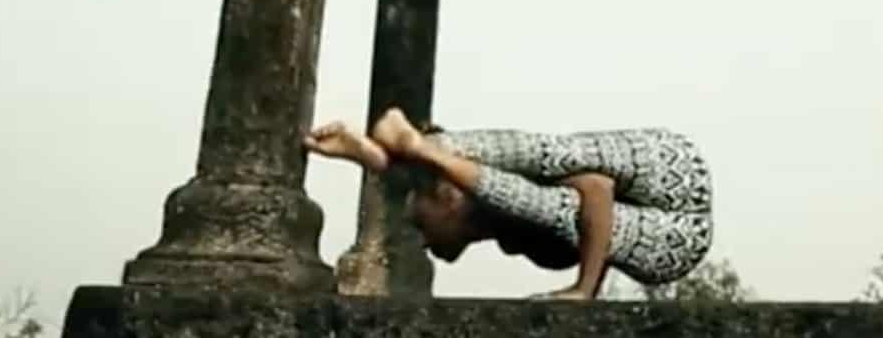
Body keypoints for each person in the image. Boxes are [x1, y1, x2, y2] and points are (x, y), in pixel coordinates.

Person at [305, 107, 713, 300]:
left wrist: (584, 290)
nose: (423, 240)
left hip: (676, 222)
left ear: (448, 200)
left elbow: (597, 189)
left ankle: (417, 150)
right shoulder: (502, 225)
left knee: (546, 173)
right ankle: (406, 152)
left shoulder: (522, 204)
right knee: (537, 195)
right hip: (653, 209)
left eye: (422, 226)